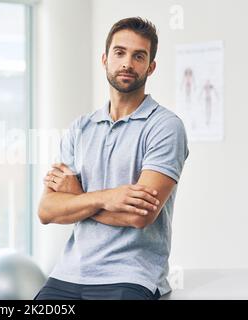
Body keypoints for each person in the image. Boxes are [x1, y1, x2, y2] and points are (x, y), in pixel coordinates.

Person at [35, 17, 189, 300]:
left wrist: (77, 198)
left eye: (138, 56)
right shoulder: (81, 127)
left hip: (131, 276)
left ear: (150, 67)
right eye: (119, 53)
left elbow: (139, 216)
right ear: (105, 59)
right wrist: (107, 198)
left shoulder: (165, 127)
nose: (127, 63)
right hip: (68, 272)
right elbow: (47, 211)